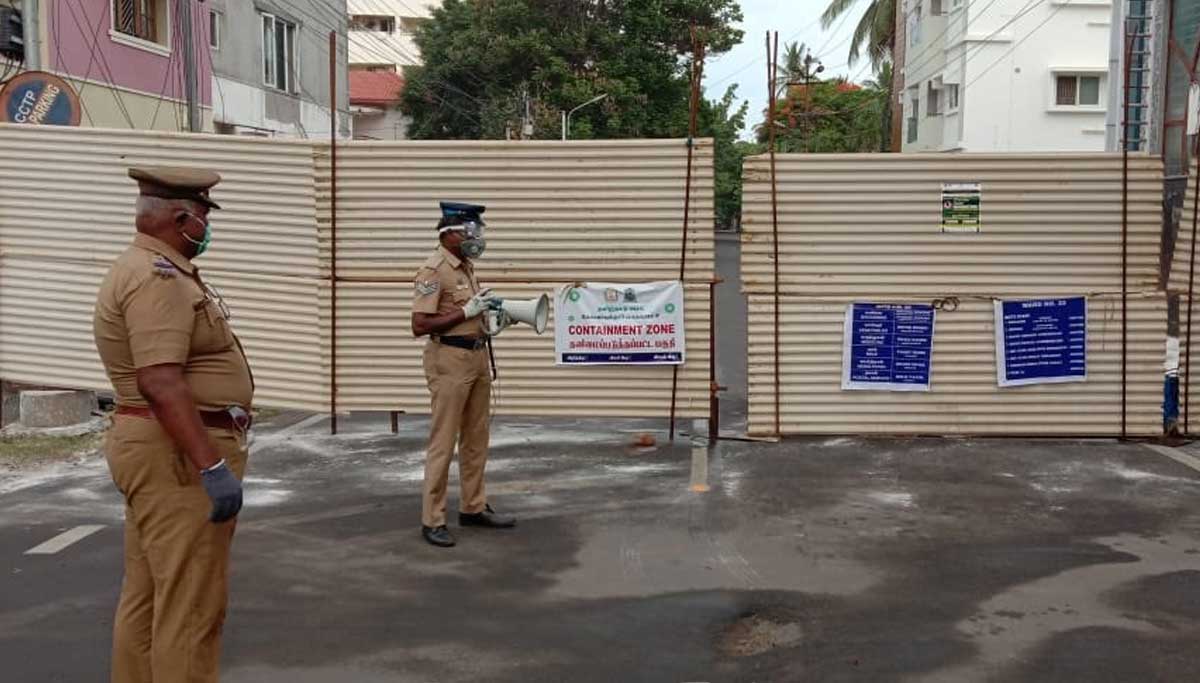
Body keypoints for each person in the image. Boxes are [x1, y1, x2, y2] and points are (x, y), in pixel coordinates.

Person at [93, 166, 254, 683]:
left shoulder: (154, 268)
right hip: (178, 455)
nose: (207, 227)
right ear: (180, 218)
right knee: (191, 608)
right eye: (203, 216)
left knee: (149, 595)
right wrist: (211, 466)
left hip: (160, 449)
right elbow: (160, 381)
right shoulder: (156, 278)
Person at [411, 201, 516, 548]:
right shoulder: (433, 270)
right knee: (443, 442)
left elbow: (470, 313)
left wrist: (489, 314)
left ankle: (472, 507)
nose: (477, 238)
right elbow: (419, 325)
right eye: (472, 232)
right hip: (449, 360)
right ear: (451, 233)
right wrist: (465, 311)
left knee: (476, 438)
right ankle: (433, 518)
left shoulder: (467, 268)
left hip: (476, 356)